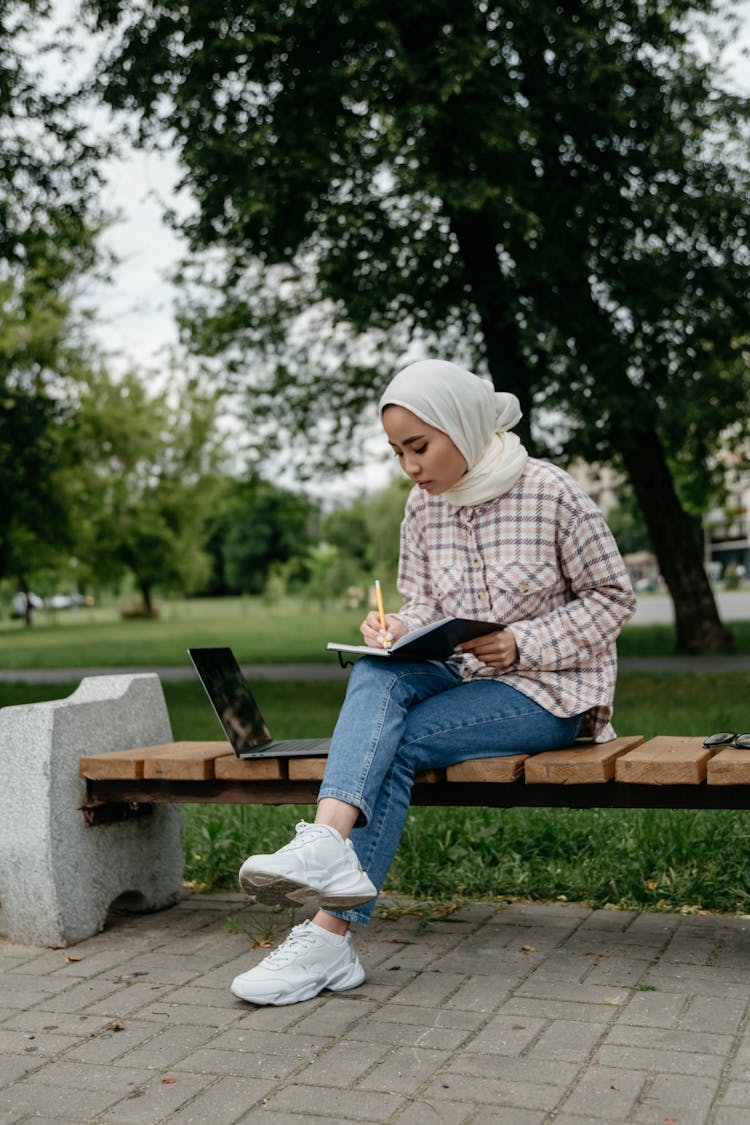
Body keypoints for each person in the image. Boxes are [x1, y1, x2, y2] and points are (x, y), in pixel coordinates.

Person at [230, 358, 636, 1006]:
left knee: (396, 742)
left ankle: (328, 936)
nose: (410, 466)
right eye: (397, 452)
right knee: (374, 669)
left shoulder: (551, 491)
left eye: (419, 446)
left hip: (550, 694)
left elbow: (614, 596)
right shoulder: (422, 509)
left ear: (463, 426)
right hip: (459, 676)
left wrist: (520, 640)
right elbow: (422, 601)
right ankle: (327, 845)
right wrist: (392, 626)